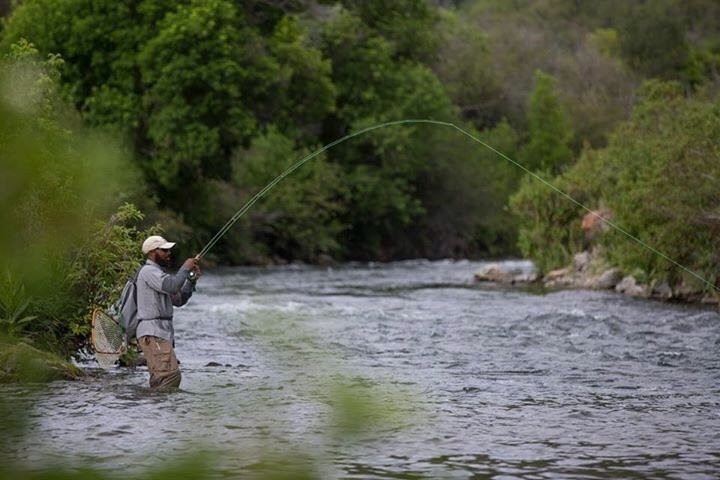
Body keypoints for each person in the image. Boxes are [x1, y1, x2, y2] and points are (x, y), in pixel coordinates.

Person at [136, 235, 200, 390]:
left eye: (168, 250)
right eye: (164, 250)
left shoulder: (159, 274)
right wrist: (185, 267)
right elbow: (172, 286)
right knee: (169, 377)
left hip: (160, 333)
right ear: (152, 252)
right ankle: (159, 411)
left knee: (163, 378)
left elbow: (178, 300)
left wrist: (191, 281)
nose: (168, 253)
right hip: (153, 332)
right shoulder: (148, 272)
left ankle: (155, 411)